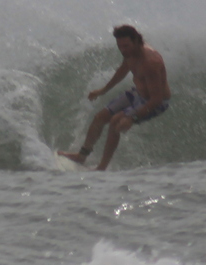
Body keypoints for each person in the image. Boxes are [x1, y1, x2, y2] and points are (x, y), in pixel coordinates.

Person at [58, 25, 170, 171]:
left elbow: (156, 100)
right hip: (138, 93)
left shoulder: (151, 62)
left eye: (126, 46)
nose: (123, 50)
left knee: (115, 122)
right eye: (120, 46)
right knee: (100, 117)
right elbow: (123, 70)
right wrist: (103, 90)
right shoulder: (130, 53)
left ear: (137, 41)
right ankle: (81, 156)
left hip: (155, 102)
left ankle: (102, 167)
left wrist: (132, 118)